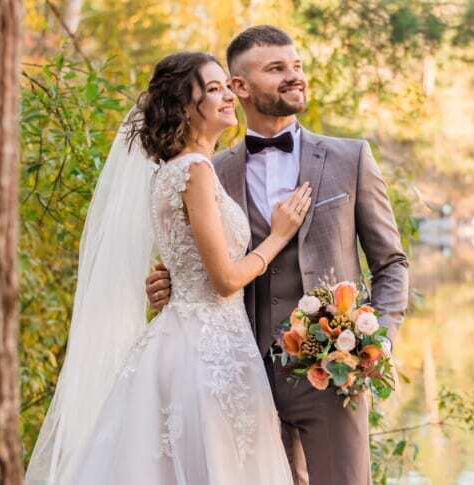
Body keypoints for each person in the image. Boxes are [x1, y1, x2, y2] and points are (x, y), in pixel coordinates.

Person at [25, 51, 309, 484]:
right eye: (212, 89)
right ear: (183, 105)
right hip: (209, 350)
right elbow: (224, 280)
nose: (228, 96)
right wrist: (278, 235)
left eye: (225, 86)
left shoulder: (171, 172)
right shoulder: (195, 171)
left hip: (183, 339)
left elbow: (187, 261)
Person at [147, 25, 409, 485]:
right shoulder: (210, 167)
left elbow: (391, 263)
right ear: (239, 87)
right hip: (237, 375)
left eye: (297, 66)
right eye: (276, 69)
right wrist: (169, 282)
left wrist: (376, 342)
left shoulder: (351, 159)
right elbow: (202, 256)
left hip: (331, 375)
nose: (294, 76)